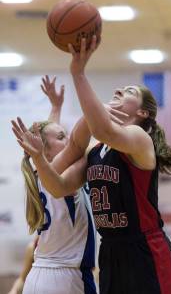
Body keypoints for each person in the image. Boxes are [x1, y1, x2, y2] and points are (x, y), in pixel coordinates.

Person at [11, 37, 171, 294]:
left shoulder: (139, 138)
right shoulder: (96, 150)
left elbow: (103, 128)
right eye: (120, 89)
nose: (119, 91)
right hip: (110, 252)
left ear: (143, 113)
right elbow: (58, 187)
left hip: (144, 250)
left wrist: (78, 74)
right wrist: (39, 157)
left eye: (129, 92)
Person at [10, 75, 99, 294]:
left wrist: (55, 106)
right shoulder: (60, 170)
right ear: (46, 151)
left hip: (39, 276)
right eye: (63, 137)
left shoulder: (41, 172)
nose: (68, 139)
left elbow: (50, 140)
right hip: (67, 278)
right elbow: (66, 145)